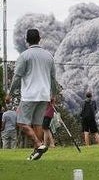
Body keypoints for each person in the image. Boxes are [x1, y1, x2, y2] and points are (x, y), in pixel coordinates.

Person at [4, 28, 59, 160]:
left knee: (22, 123)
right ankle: (36, 152)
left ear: (27, 40)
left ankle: (39, 145)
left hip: (30, 95)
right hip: (44, 95)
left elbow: (17, 77)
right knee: (37, 124)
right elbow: (53, 78)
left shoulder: (25, 56)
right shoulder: (48, 56)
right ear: (39, 39)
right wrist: (53, 95)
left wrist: (10, 93)